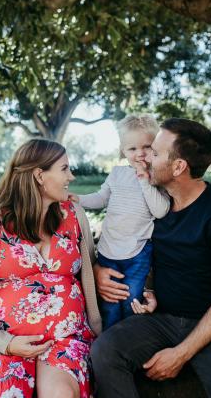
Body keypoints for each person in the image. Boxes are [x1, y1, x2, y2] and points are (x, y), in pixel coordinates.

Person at [91, 118, 211, 398]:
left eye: (154, 152)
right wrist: (99, 271)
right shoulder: (153, 203)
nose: (145, 157)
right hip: (161, 319)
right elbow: (125, 247)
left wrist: (180, 354)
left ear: (179, 167)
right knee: (105, 351)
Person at [0, 139, 102, 398]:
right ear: (39, 175)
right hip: (1, 341)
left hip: (65, 338)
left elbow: (90, 270)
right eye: (64, 169)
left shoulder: (74, 214)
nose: (72, 176)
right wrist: (5, 342)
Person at [71, 114, 169, 329]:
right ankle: (109, 338)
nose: (140, 153)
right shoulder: (117, 174)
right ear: (123, 151)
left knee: (131, 297)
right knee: (110, 302)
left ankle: (129, 336)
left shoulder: (157, 178)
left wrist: (145, 179)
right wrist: (79, 199)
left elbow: (160, 210)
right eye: (132, 149)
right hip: (108, 249)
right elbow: (101, 198)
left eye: (146, 146)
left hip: (137, 251)